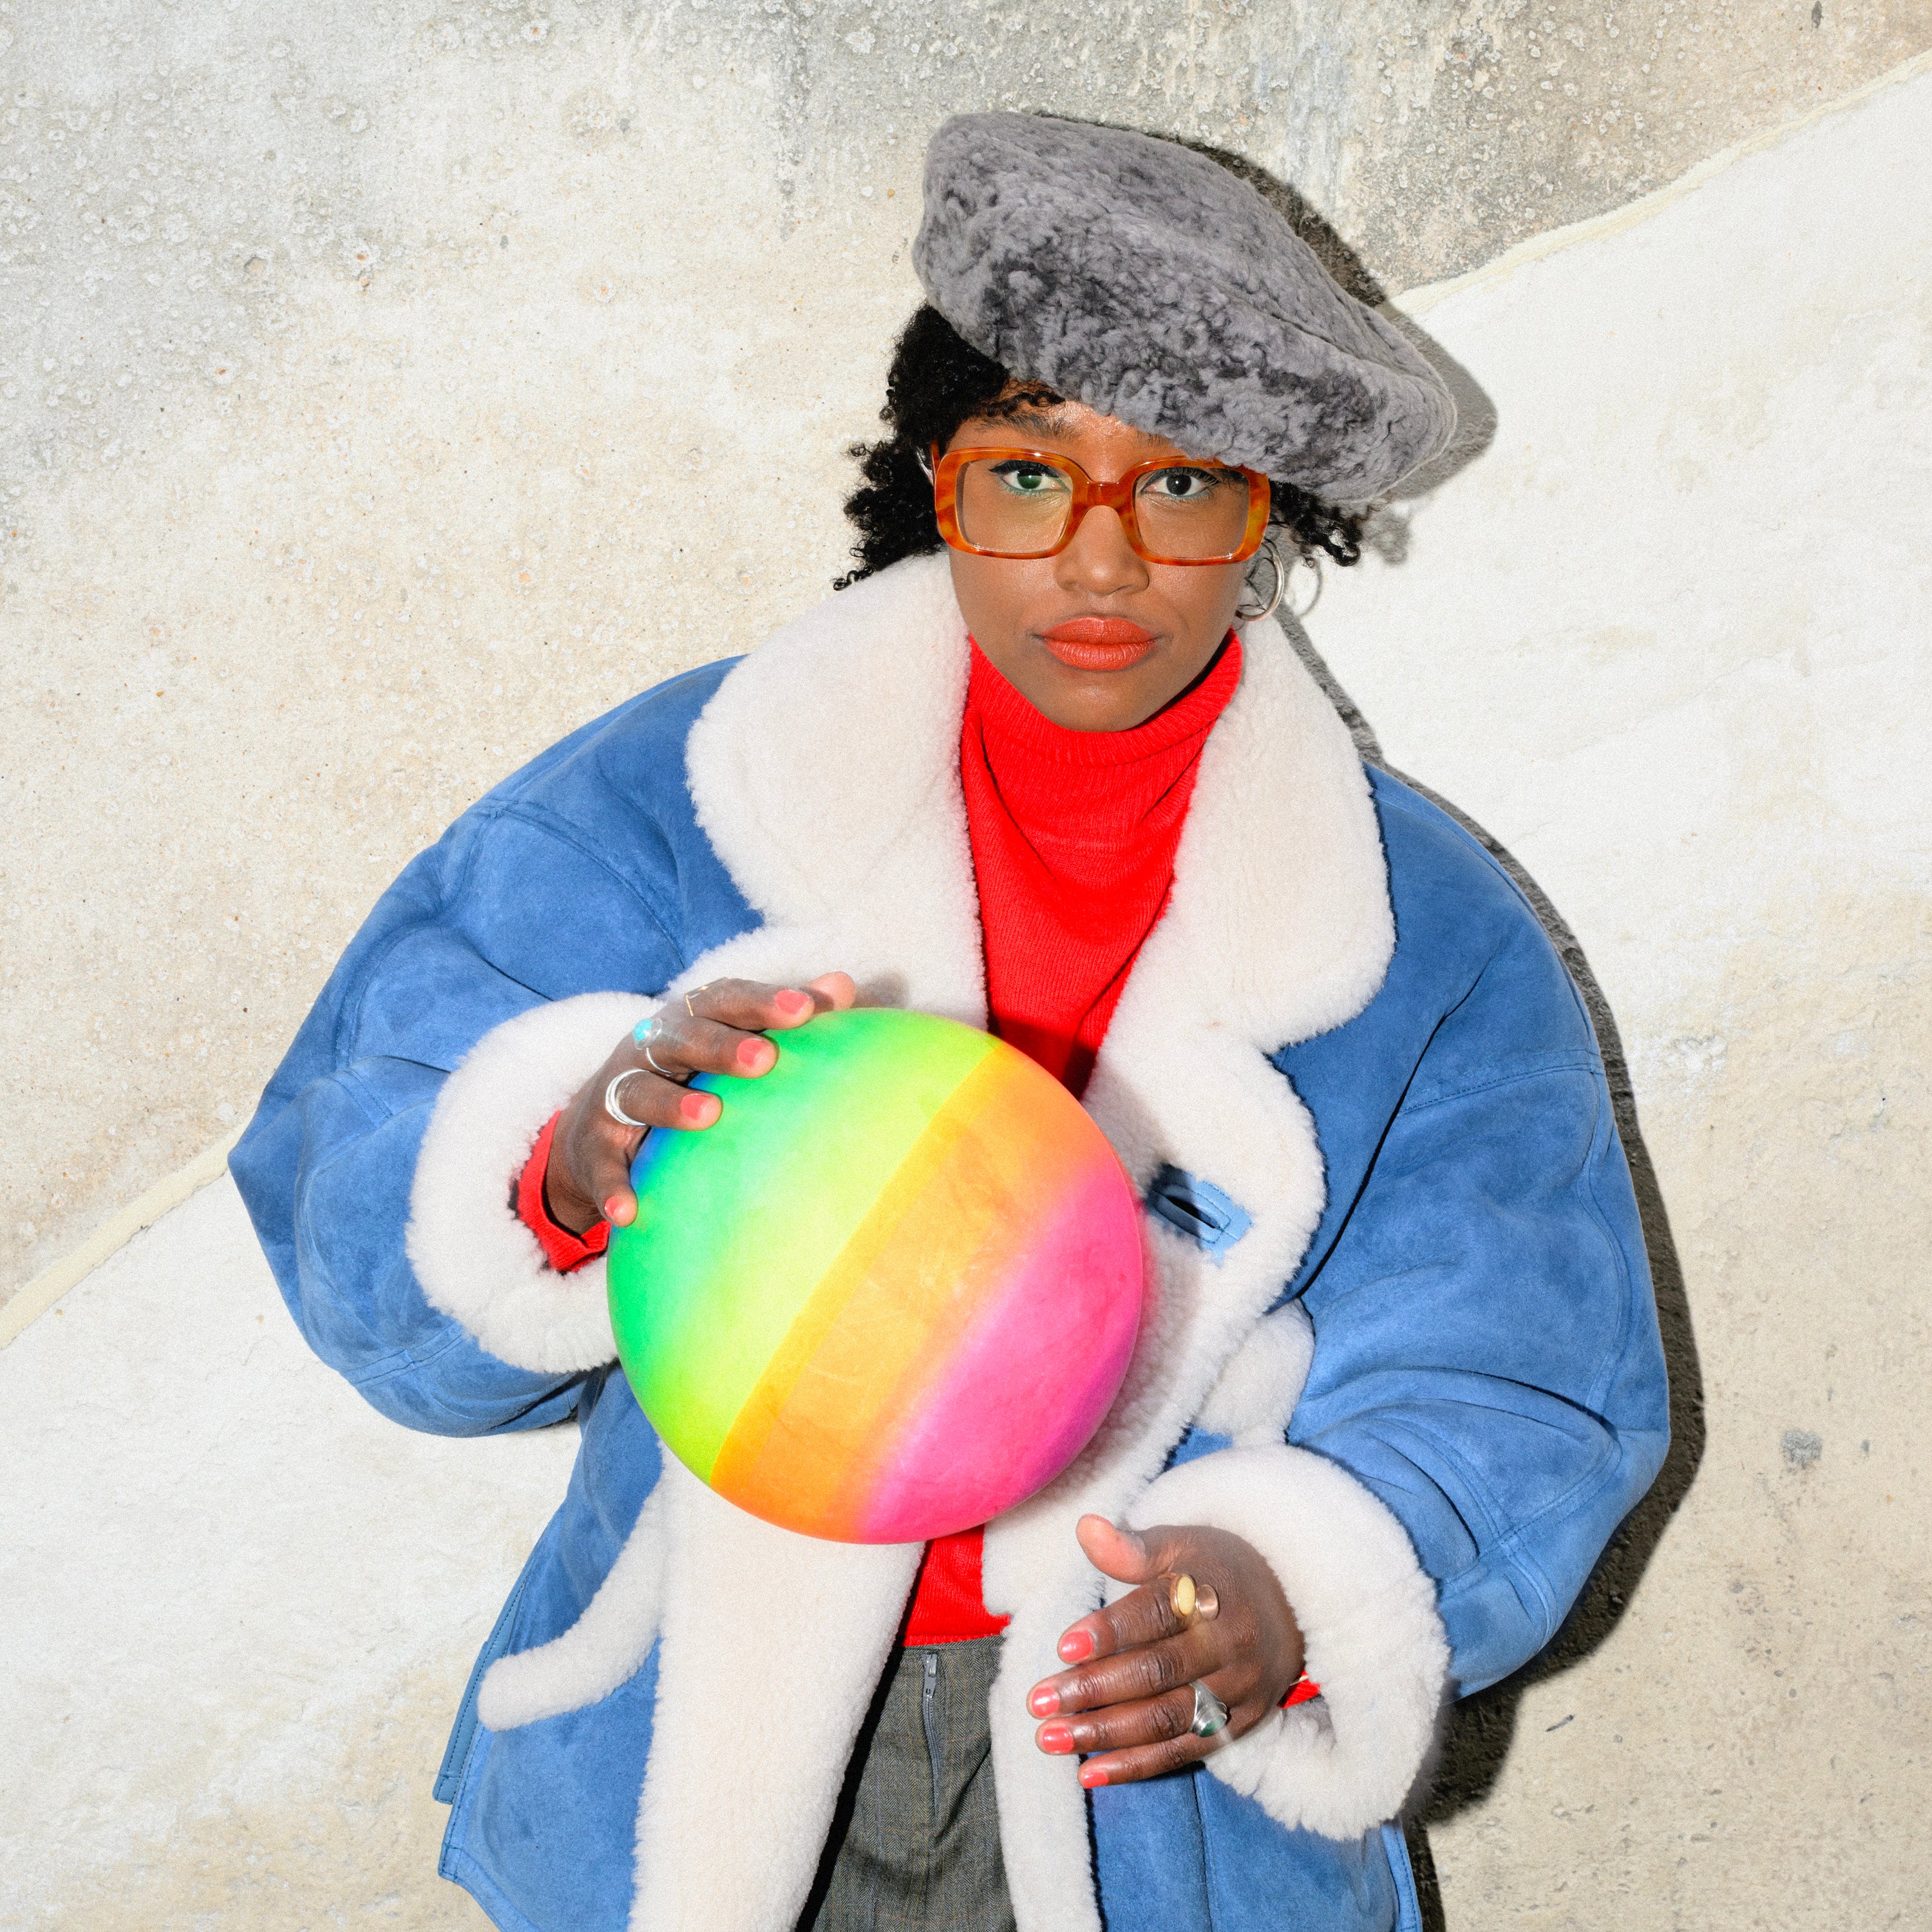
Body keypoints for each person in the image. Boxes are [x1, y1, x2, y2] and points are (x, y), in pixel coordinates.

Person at [232, 112, 1669, 1932]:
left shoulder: (1421, 934)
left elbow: (1524, 1370)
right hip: (685, 1748)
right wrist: (564, 1163)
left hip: (1152, 1790)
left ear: (1271, 517)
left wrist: (1289, 1583)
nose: (1100, 561)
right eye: (1028, 471)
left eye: (1182, 485)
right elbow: (368, 1128)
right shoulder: (688, 790)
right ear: (933, 475)